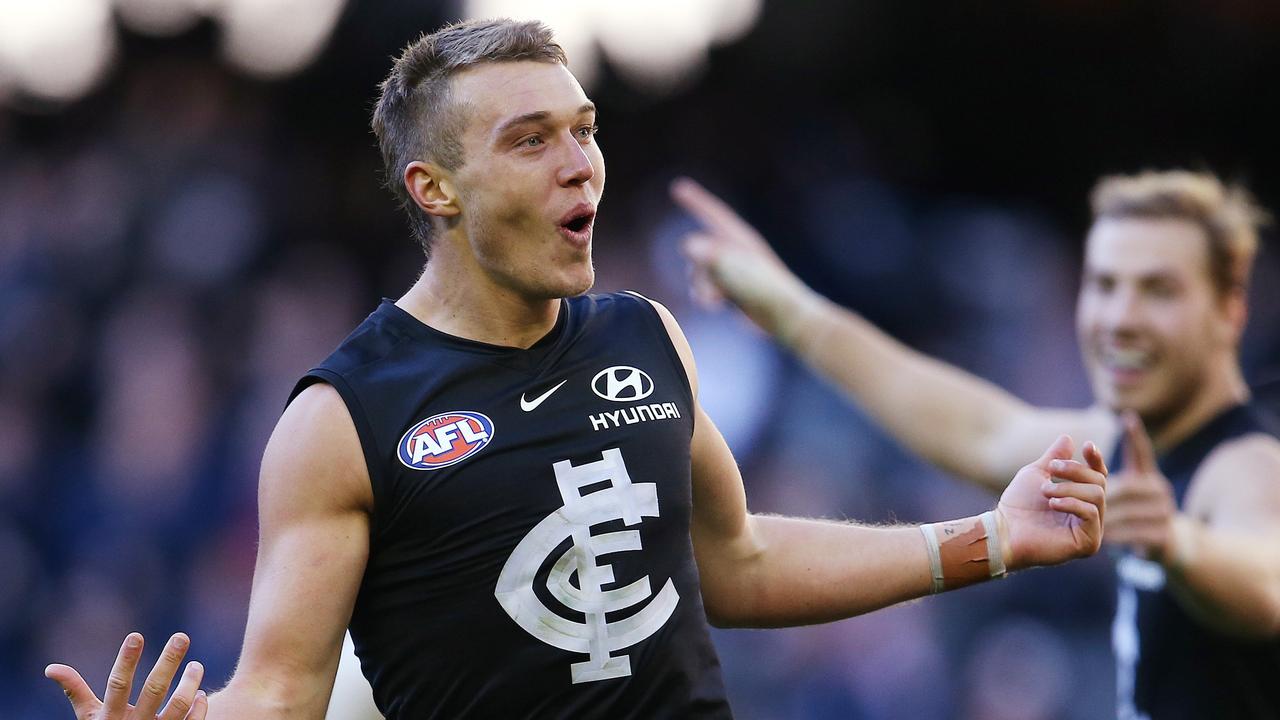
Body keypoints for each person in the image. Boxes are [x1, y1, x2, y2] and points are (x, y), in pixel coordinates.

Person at [43, 19, 1108, 720]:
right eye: (531, 139)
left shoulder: (643, 336)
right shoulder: (343, 417)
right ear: (435, 189)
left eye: (585, 132)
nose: (578, 163)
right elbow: (281, 690)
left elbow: (730, 566)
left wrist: (989, 542)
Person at [672, 171, 1280, 719]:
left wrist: (1180, 542)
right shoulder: (1130, 440)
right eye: (1104, 285)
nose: (1119, 317)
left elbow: (1266, 582)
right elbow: (977, 429)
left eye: (1158, 290)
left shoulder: (1247, 461)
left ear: (1230, 310)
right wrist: (789, 307)